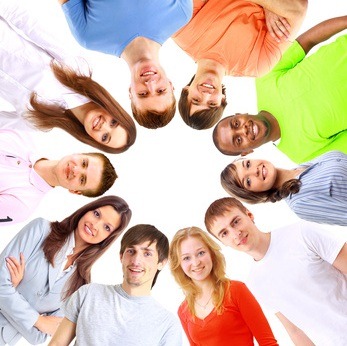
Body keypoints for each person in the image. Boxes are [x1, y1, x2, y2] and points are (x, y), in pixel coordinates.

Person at [204, 197, 347, 345]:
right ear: (222, 242)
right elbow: (295, 330)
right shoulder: (255, 282)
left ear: (249, 215)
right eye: (224, 233)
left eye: (236, 221)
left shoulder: (301, 233)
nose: (235, 234)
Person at [0, 2, 136, 153]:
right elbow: (30, 24)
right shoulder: (77, 69)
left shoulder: (42, 122)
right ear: (114, 110)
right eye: (113, 122)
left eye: (105, 137)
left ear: (94, 142)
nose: (103, 126)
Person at [213, 16, 347, 163]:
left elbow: (307, 40)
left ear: (239, 114)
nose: (243, 130)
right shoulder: (302, 155)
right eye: (238, 140)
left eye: (236, 124)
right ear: (246, 152)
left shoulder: (264, 76)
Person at [0, 195, 132, 345]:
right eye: (96, 214)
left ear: (109, 238)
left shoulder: (81, 284)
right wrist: (39, 320)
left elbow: (40, 337)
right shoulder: (41, 230)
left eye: (106, 227)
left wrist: (14, 290)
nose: (95, 225)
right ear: (87, 210)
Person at [59, 0, 193, 129]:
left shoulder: (89, 37)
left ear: (131, 92)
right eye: (160, 91)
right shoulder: (181, 14)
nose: (150, 84)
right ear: (170, 85)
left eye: (143, 93)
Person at [173, 0, 307, 129]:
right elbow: (298, 8)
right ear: (222, 99)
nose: (206, 94)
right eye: (212, 103)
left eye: (196, 99)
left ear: (186, 90)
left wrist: (271, 6)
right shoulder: (257, 65)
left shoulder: (182, 31)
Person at [48, 224, 182, 346]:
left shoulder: (168, 324)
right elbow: (57, 344)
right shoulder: (88, 294)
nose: (136, 260)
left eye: (147, 254)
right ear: (121, 256)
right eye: (131, 251)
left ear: (162, 263)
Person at [169, 226, 279, 345]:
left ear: (211, 253)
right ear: (179, 264)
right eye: (186, 258)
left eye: (201, 253)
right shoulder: (183, 310)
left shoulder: (236, 290)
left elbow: (268, 343)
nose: (196, 263)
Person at [0, 129, 117, 226]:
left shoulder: (22, 206)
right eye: (83, 163)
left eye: (82, 179)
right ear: (78, 153)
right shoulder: (21, 133)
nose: (75, 170)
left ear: (75, 191)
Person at [220, 151, 347, 226]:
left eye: (247, 164)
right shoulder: (299, 203)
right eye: (248, 181)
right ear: (252, 194)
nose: (255, 171)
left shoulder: (302, 166)